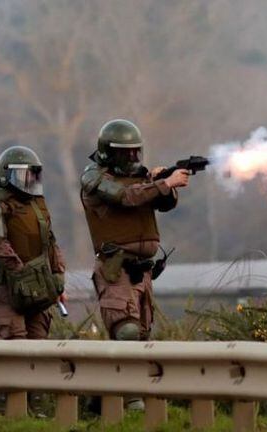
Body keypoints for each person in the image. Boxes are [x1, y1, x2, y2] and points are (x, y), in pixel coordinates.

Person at [80, 119, 189, 342]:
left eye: (135, 153)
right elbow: (126, 196)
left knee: (141, 337)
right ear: (109, 153)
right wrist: (164, 184)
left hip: (142, 271)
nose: (132, 159)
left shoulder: (140, 179)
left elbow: (165, 205)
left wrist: (158, 181)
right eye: (125, 154)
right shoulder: (96, 178)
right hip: (116, 269)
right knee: (126, 333)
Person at [0, 146, 66, 340]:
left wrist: (57, 278)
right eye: (22, 175)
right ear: (6, 174)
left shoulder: (37, 203)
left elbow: (50, 242)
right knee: (14, 347)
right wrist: (21, 273)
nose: (29, 181)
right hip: (7, 289)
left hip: (39, 287)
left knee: (39, 345)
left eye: (32, 175)